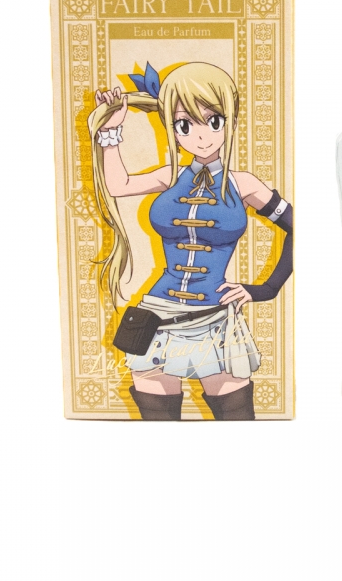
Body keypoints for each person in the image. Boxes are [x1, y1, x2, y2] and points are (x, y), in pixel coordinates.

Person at [89, 62, 292, 420]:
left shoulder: (243, 184)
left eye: (213, 121)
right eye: (185, 125)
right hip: (157, 314)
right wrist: (110, 133)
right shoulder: (170, 175)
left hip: (215, 318)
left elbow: (301, 227)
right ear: (172, 127)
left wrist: (265, 289)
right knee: (157, 420)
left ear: (230, 120)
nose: (201, 137)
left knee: (236, 419)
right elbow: (118, 185)